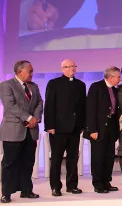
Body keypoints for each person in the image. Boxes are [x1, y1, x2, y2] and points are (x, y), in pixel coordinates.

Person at [0, 60, 43, 203]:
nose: (32, 74)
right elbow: (10, 106)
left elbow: (39, 102)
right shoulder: (6, 85)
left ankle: (27, 190)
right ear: (20, 72)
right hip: (13, 131)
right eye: (30, 71)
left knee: (28, 162)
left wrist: (36, 118)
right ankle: (6, 193)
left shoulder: (34, 86)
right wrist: (29, 118)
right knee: (9, 163)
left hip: (31, 131)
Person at [44, 59, 86, 196]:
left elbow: (83, 107)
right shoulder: (54, 83)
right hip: (58, 128)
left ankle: (72, 185)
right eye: (69, 67)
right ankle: (55, 187)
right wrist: (49, 125)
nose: (72, 69)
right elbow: (49, 105)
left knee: (73, 158)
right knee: (56, 159)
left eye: (74, 66)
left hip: (75, 128)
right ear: (62, 69)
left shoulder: (81, 85)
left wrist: (82, 125)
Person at [84, 66, 121, 193]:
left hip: (111, 128)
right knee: (98, 157)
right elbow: (90, 109)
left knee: (109, 157)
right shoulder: (96, 87)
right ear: (110, 77)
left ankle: (106, 181)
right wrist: (92, 129)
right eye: (118, 77)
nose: (120, 79)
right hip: (98, 129)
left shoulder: (115, 90)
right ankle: (98, 183)